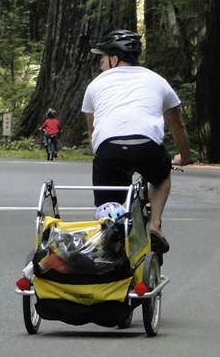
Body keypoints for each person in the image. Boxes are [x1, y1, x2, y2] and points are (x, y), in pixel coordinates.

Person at [81, 29, 192, 255]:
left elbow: (93, 131)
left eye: (102, 60)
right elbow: (177, 125)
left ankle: (111, 244)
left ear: (114, 59)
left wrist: (104, 157)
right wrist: (185, 157)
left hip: (109, 150)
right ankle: (154, 226)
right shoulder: (157, 80)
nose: (101, 66)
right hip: (147, 147)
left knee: (109, 210)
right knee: (161, 176)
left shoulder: (95, 85)